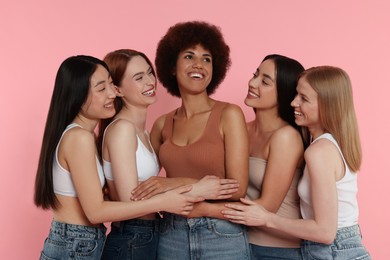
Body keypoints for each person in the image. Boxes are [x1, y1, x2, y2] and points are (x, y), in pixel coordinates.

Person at [34, 55, 203, 260]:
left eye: (111, 85)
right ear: (78, 95)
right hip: (74, 244)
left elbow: (93, 202)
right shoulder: (79, 138)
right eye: (101, 88)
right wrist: (164, 202)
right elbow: (95, 212)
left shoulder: (82, 135)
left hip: (79, 241)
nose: (113, 93)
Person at [131, 21, 251, 259]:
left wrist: (173, 183)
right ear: (172, 67)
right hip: (170, 234)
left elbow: (237, 188)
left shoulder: (229, 114)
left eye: (207, 58)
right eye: (189, 56)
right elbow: (143, 185)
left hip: (221, 236)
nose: (199, 64)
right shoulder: (162, 124)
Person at [223, 66, 371, 259]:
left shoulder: (319, 152)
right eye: (296, 95)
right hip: (337, 248)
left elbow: (325, 232)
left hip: (333, 251)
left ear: (327, 105)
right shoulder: (329, 144)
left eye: (304, 98)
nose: (293, 103)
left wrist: (267, 219)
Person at [243, 54, 307, 259]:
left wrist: (202, 207)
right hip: (240, 241)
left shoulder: (285, 137)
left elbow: (267, 205)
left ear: (284, 92)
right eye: (255, 75)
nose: (252, 83)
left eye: (265, 81)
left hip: (278, 250)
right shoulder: (242, 129)